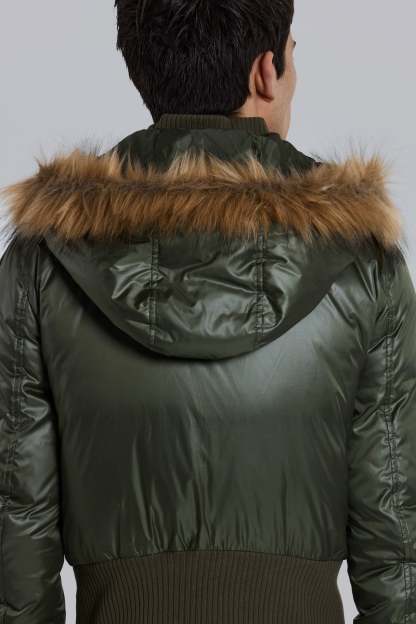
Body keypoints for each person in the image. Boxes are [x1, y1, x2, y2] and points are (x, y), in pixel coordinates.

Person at [0, 1, 415, 622]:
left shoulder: (44, 259)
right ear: (266, 72)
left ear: (142, 68)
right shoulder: (361, 260)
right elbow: (396, 539)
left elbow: (16, 522)